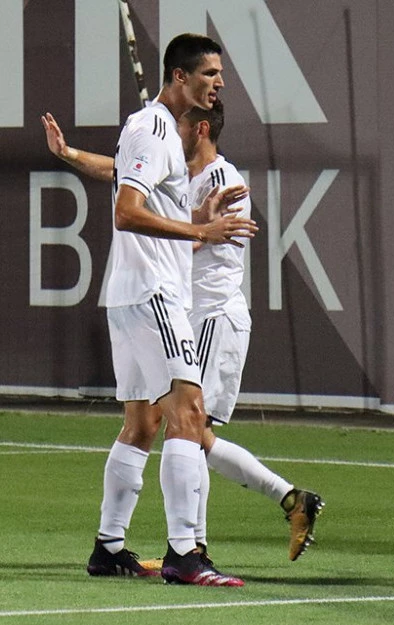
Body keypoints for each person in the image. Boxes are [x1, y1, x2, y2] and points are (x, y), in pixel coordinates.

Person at [41, 103, 324, 564]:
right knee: (168, 428)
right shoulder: (177, 170)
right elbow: (120, 171)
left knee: (191, 429)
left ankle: (204, 543)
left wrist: (194, 227)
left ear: (201, 128)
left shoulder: (222, 181)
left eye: (181, 127)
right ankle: (283, 503)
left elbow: (196, 242)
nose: (173, 134)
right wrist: (69, 153)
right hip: (181, 313)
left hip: (212, 316)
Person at [79, 33, 258, 586]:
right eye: (209, 73)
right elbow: (127, 212)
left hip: (131, 293)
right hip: (154, 293)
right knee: (189, 412)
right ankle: (185, 554)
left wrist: (193, 218)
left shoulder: (153, 130)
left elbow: (146, 205)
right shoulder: (156, 129)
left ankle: (109, 547)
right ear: (179, 76)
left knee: (142, 422)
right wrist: (201, 230)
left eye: (219, 74)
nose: (219, 82)